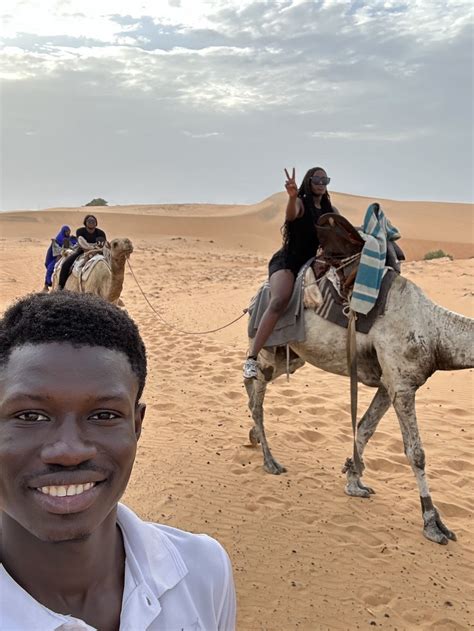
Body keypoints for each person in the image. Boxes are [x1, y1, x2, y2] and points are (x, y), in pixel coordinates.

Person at [0, 292, 236, 630]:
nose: (69, 451)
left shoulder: (203, 571)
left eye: (104, 415)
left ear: (136, 426)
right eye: (30, 416)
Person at [243, 166, 339, 379]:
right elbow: (291, 214)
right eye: (317, 180)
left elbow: (341, 230)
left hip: (312, 263)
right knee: (279, 300)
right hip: (288, 262)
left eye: (325, 180)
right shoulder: (300, 203)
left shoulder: (329, 210)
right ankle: (252, 359)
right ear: (309, 181)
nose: (321, 184)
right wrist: (292, 196)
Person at [57, 214, 107, 290]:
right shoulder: (80, 231)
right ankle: (60, 286)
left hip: (98, 252)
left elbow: (103, 246)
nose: (91, 222)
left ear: (96, 223)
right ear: (85, 222)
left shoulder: (101, 233)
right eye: (89, 221)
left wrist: (95, 251)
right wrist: (90, 250)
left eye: (93, 221)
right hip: (82, 251)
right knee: (66, 264)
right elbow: (81, 243)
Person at [42, 225, 78, 292]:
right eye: (66, 231)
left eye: (69, 231)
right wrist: (62, 252)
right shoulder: (58, 240)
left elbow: (74, 245)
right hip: (59, 256)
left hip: (70, 254)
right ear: (63, 232)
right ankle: (46, 285)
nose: (68, 233)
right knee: (50, 268)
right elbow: (56, 250)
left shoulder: (71, 239)